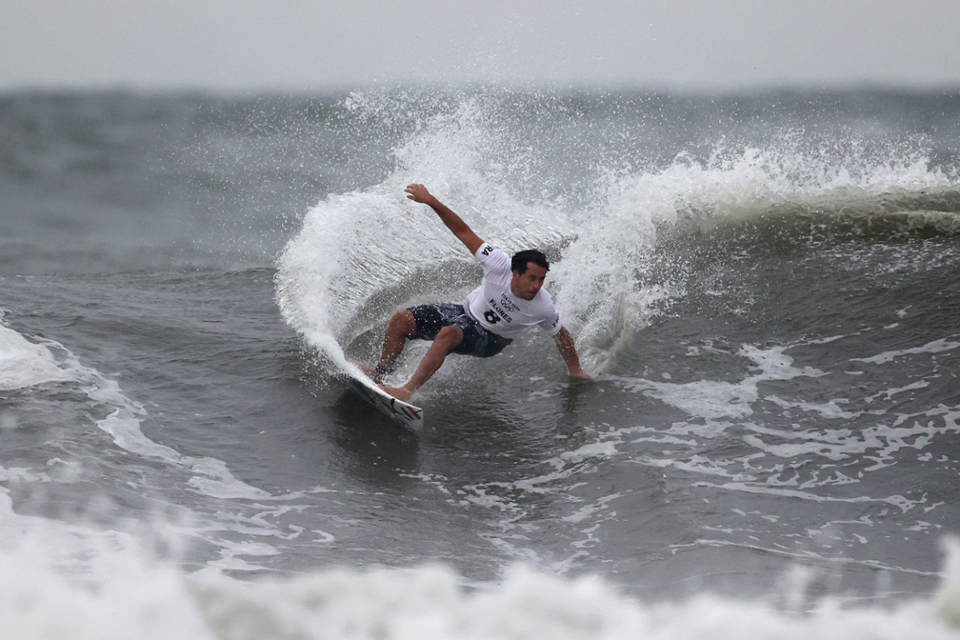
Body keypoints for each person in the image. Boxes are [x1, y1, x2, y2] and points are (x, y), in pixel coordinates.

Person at [363, 183, 591, 402]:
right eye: (531, 278)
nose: (536, 286)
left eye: (541, 280)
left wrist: (576, 370)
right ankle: (380, 375)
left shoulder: (543, 306)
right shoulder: (498, 264)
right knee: (401, 319)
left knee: (448, 334)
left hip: (491, 339)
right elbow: (462, 231)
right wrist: (431, 201)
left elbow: (561, 334)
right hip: (463, 312)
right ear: (515, 273)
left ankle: (405, 391)